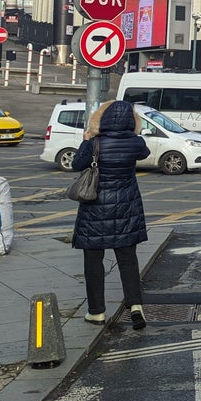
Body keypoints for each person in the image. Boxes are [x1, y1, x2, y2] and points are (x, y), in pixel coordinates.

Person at [72, 100, 151, 329]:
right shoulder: (136, 143)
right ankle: (135, 306)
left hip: (95, 209)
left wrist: (86, 141)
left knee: (93, 261)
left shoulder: (95, 143)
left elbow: (77, 165)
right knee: (128, 259)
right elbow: (144, 153)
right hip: (126, 208)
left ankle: (96, 311)